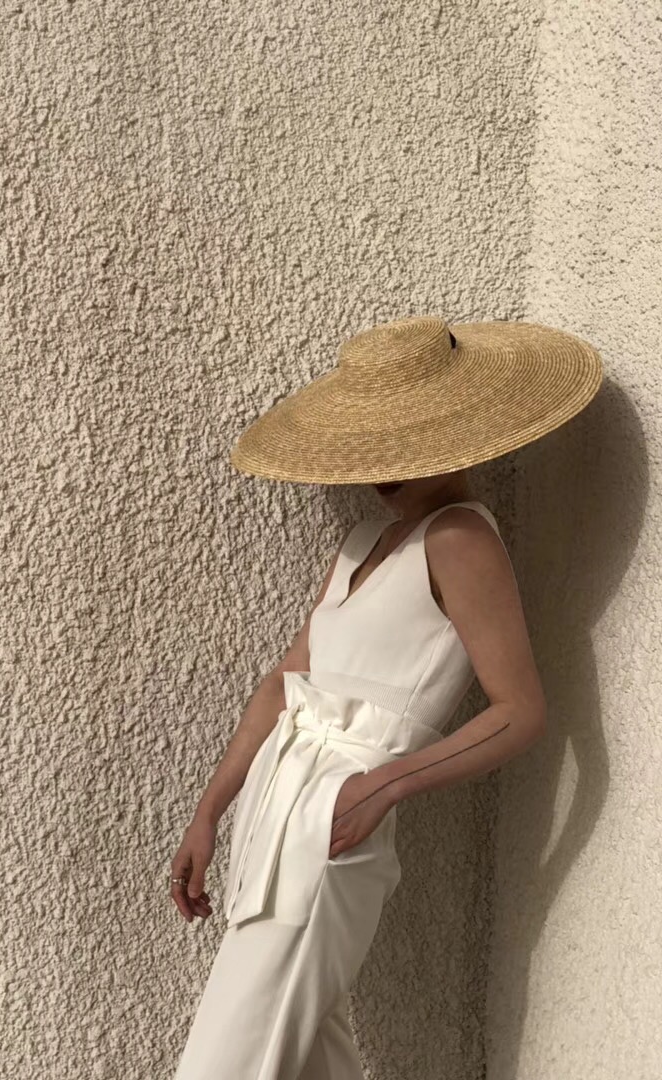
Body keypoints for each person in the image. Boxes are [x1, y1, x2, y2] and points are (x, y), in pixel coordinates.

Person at [169, 316, 603, 1080]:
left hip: (332, 819)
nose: (381, 470)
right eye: (374, 444)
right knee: (311, 1057)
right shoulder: (362, 542)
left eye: (402, 442)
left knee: (227, 1063)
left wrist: (383, 785)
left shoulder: (462, 539)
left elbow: (520, 711)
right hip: (276, 809)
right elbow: (283, 683)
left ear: (450, 433)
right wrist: (210, 811)